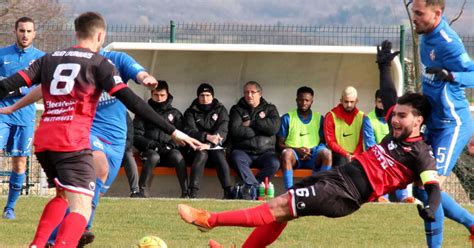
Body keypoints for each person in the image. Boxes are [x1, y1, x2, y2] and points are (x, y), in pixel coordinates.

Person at [177, 40, 441, 247]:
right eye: (394, 115)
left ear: (418, 121)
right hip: (336, 177)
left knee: (277, 207)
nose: (394, 119)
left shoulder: (420, 153)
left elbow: (433, 186)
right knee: (282, 210)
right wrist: (384, 66)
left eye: (401, 116)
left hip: (345, 193)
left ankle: (209, 219)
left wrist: (431, 206)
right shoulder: (398, 132)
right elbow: (388, 95)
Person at [0, 12, 202, 247]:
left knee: (63, 196)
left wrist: (11, 104)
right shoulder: (99, 64)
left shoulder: (50, 58)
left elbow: (8, 85)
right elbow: (134, 102)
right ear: (100, 35)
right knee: (82, 207)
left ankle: (37, 244)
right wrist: (173, 131)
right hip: (72, 142)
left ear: (76, 33)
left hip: (45, 140)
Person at [411, 0, 474, 246]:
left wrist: (452, 75)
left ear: (436, 13)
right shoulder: (425, 35)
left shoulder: (449, 43)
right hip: (434, 123)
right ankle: (472, 224)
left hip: (452, 124)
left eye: (419, 12)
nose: (414, 17)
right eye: (413, 11)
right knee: (419, 189)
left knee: (430, 185)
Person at [0, 17, 45, 220]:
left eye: (29, 31)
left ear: (34, 33)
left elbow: (42, 87)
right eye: (21, 30)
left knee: (19, 164)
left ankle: (10, 208)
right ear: (15, 31)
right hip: (2, 113)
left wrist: (16, 88)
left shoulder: (41, 58)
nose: (25, 35)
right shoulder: (3, 55)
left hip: (25, 117)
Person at [133, 81, 188, 198]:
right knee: (153, 156)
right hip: (150, 151)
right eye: (156, 95)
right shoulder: (143, 112)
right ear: (152, 95)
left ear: (167, 95)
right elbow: (136, 136)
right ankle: (141, 191)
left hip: (168, 150)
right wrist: (153, 145)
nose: (159, 98)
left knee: (178, 157)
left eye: (162, 95)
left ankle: (185, 193)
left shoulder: (175, 114)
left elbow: (182, 135)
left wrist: (171, 146)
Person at [229, 81, 281, 199]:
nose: (249, 95)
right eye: (246, 92)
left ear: (260, 93)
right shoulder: (237, 109)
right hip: (243, 151)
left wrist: (251, 123)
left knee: (274, 163)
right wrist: (262, 128)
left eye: (253, 92)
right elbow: (236, 131)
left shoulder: (270, 109)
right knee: (236, 158)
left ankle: (251, 188)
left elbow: (273, 128)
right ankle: (257, 188)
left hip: (266, 152)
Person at [183, 83, 232, 199]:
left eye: (208, 95)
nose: (205, 99)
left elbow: (223, 130)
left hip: (215, 147)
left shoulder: (221, 110)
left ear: (213, 96)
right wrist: (205, 138)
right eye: (202, 95)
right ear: (198, 97)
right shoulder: (190, 112)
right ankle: (193, 193)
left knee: (219, 155)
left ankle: (228, 192)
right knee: (201, 155)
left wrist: (209, 144)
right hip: (196, 147)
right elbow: (189, 132)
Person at [277, 86, 331, 190]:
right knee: (286, 153)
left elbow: (323, 142)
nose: (304, 103)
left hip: (313, 155)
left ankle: (323, 190)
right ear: (296, 100)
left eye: (307, 100)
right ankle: (290, 192)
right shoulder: (287, 117)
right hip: (294, 157)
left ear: (312, 101)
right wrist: (297, 150)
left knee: (327, 153)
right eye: (301, 100)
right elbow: (279, 144)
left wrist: (310, 150)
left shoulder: (319, 118)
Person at [365, 89, 414, 203]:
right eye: (379, 102)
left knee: (402, 163)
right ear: (375, 102)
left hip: (393, 153)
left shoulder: (396, 119)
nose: (382, 105)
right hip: (376, 154)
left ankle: (404, 197)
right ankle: (382, 196)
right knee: (383, 163)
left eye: (384, 102)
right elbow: (370, 144)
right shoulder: (369, 119)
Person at [323, 86, 372, 167]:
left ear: (356, 101)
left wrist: (354, 155)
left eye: (352, 102)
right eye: (346, 101)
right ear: (341, 101)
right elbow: (330, 142)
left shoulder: (363, 117)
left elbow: (362, 140)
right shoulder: (330, 116)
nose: (349, 105)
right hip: (338, 155)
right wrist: (346, 154)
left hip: (357, 155)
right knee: (342, 161)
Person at [122, 112, 140, 197]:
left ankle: (135, 191)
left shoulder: (123, 113)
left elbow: (130, 135)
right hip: (105, 147)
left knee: (129, 156)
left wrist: (123, 147)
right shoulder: (99, 111)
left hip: (122, 148)